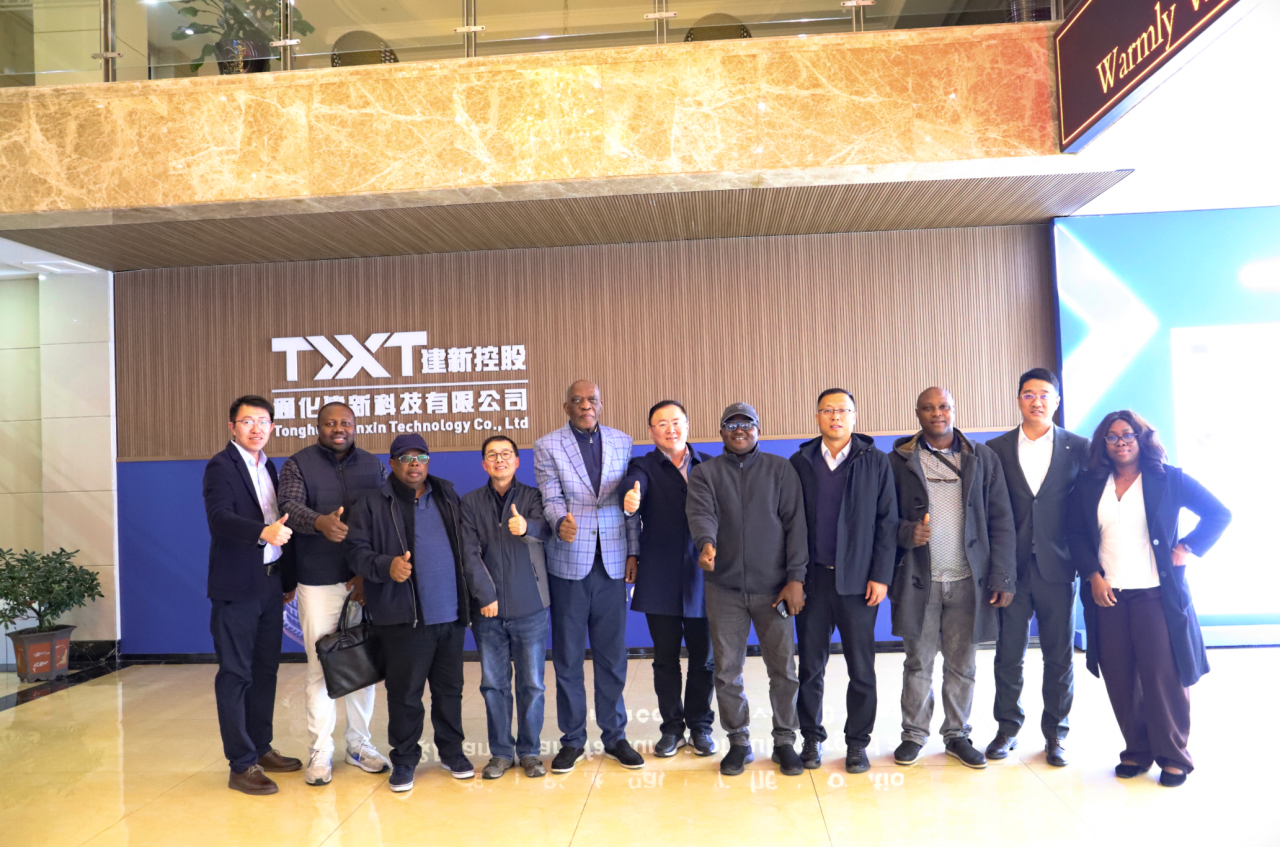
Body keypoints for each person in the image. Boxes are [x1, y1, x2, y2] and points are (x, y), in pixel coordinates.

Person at [1069, 410, 1230, 788]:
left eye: (1128, 434)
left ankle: (1174, 757)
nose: (1121, 442)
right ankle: (1137, 751)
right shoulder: (1090, 483)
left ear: (1141, 438)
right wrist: (1092, 575)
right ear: (1103, 443)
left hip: (1156, 594)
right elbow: (1075, 533)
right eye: (1112, 436)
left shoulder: (1168, 478)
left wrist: (1187, 547)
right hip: (1108, 595)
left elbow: (1218, 513)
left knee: (1163, 677)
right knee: (1120, 676)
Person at [889, 387, 1016, 769]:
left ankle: (957, 734)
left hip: (967, 581)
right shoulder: (899, 460)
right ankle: (914, 734)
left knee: (963, 664)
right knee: (918, 663)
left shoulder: (982, 458)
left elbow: (1002, 520)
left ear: (954, 410)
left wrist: (1002, 577)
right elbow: (883, 518)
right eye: (928, 408)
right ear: (917, 413)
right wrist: (907, 532)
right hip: (920, 581)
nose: (937, 413)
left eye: (944, 406)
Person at [345, 433, 475, 793]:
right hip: (404, 618)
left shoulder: (447, 495)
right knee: (405, 695)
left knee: (450, 691)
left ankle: (452, 753)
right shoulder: (372, 504)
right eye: (405, 458)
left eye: (421, 457)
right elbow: (355, 552)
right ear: (392, 464)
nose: (414, 463)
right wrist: (386, 566)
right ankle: (404, 760)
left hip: (450, 615)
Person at [686, 402, 808, 777]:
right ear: (721, 431)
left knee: (783, 670)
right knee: (727, 671)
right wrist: (706, 544)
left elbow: (796, 526)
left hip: (775, 589)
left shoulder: (780, 469)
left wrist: (796, 578)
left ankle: (785, 741)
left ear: (758, 429)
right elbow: (701, 514)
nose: (739, 430)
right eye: (731, 424)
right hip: (723, 589)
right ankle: (738, 741)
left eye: (747, 424)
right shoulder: (705, 473)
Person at [533, 380, 644, 772]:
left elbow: (629, 504)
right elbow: (550, 496)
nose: (585, 405)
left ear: (601, 403)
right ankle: (573, 739)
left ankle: (615, 737)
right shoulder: (548, 445)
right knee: (567, 657)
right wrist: (558, 521)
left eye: (592, 399)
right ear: (566, 406)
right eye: (577, 400)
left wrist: (633, 551)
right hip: (569, 562)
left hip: (612, 561)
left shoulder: (622, 441)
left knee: (612, 656)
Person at [277, 401, 390, 786]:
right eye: (330, 423)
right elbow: (288, 505)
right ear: (318, 426)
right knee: (320, 666)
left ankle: (358, 745)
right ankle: (320, 750)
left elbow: (384, 516)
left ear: (354, 426)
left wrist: (367, 571)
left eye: (345, 423)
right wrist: (319, 522)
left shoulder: (373, 465)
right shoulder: (298, 464)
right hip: (317, 578)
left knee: (363, 664)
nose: (338, 428)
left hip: (363, 580)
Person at [983, 369, 1089, 768]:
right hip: (1010, 570)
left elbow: (1089, 507)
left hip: (1058, 568)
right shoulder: (995, 449)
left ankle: (1056, 734)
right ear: (1018, 400)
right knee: (1008, 655)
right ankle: (1007, 729)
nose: (1037, 401)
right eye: (1029, 394)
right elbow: (989, 511)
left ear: (1057, 401)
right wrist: (996, 569)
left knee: (1059, 656)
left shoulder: (1078, 447)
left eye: (1045, 394)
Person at [788, 389, 898, 774]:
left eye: (843, 410)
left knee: (861, 669)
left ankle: (857, 743)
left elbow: (887, 523)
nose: (835, 416)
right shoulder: (800, 462)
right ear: (817, 416)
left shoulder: (875, 461)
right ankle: (811, 739)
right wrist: (794, 577)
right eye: (828, 410)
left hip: (859, 582)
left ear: (854, 416)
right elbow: (789, 523)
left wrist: (881, 576)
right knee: (810, 668)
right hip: (813, 580)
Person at [203, 394, 301, 795]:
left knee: (265, 671)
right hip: (237, 586)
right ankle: (241, 764)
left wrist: (286, 579)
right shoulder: (220, 466)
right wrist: (262, 532)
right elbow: (219, 519)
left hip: (269, 583)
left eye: (263, 421)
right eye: (247, 421)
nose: (256, 428)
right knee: (236, 674)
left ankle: (261, 747)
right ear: (232, 427)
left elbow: (280, 523)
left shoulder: (269, 466)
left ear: (272, 427)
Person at [621, 400, 717, 759]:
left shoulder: (709, 464)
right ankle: (672, 729)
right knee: (664, 658)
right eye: (661, 424)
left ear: (687, 425)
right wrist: (631, 498)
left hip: (704, 573)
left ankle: (701, 726)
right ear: (651, 431)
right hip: (659, 572)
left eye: (676, 422)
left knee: (704, 658)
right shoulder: (643, 465)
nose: (670, 429)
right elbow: (634, 488)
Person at [460, 434, 553, 780]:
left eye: (505, 454)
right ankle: (500, 753)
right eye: (492, 455)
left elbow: (548, 529)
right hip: (488, 611)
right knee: (494, 685)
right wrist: (485, 596)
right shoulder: (470, 502)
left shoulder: (533, 497)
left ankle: (529, 752)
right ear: (484, 464)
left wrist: (527, 526)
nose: (499, 460)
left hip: (531, 606)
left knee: (533, 685)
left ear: (517, 461)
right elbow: (468, 553)